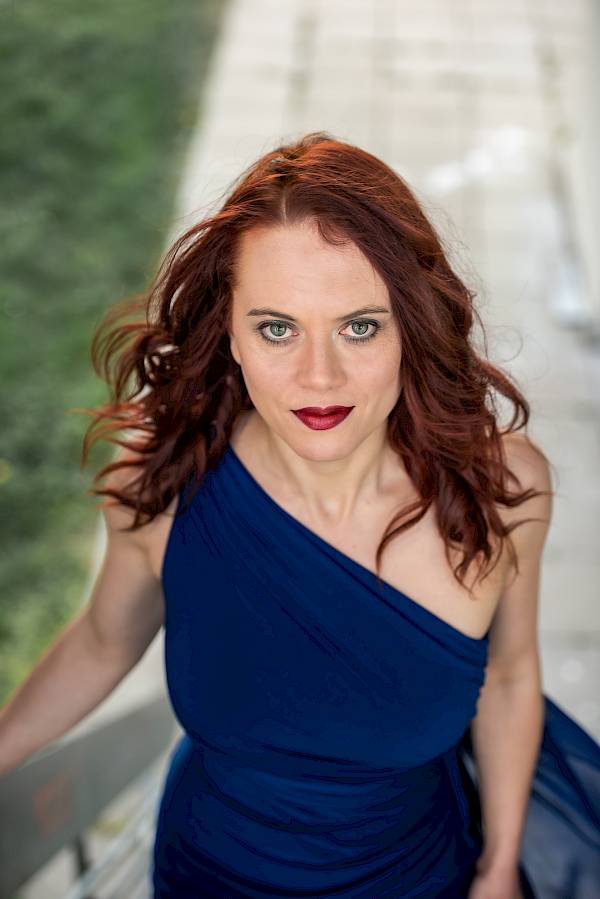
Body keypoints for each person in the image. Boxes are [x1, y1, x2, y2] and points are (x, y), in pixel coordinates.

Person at [1, 132, 599, 898]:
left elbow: (510, 675)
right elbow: (100, 640)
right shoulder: (163, 476)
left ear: (411, 328)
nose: (320, 377)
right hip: (207, 876)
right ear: (231, 334)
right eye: (277, 328)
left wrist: (500, 861)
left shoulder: (501, 487)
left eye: (359, 326)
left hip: (418, 879)